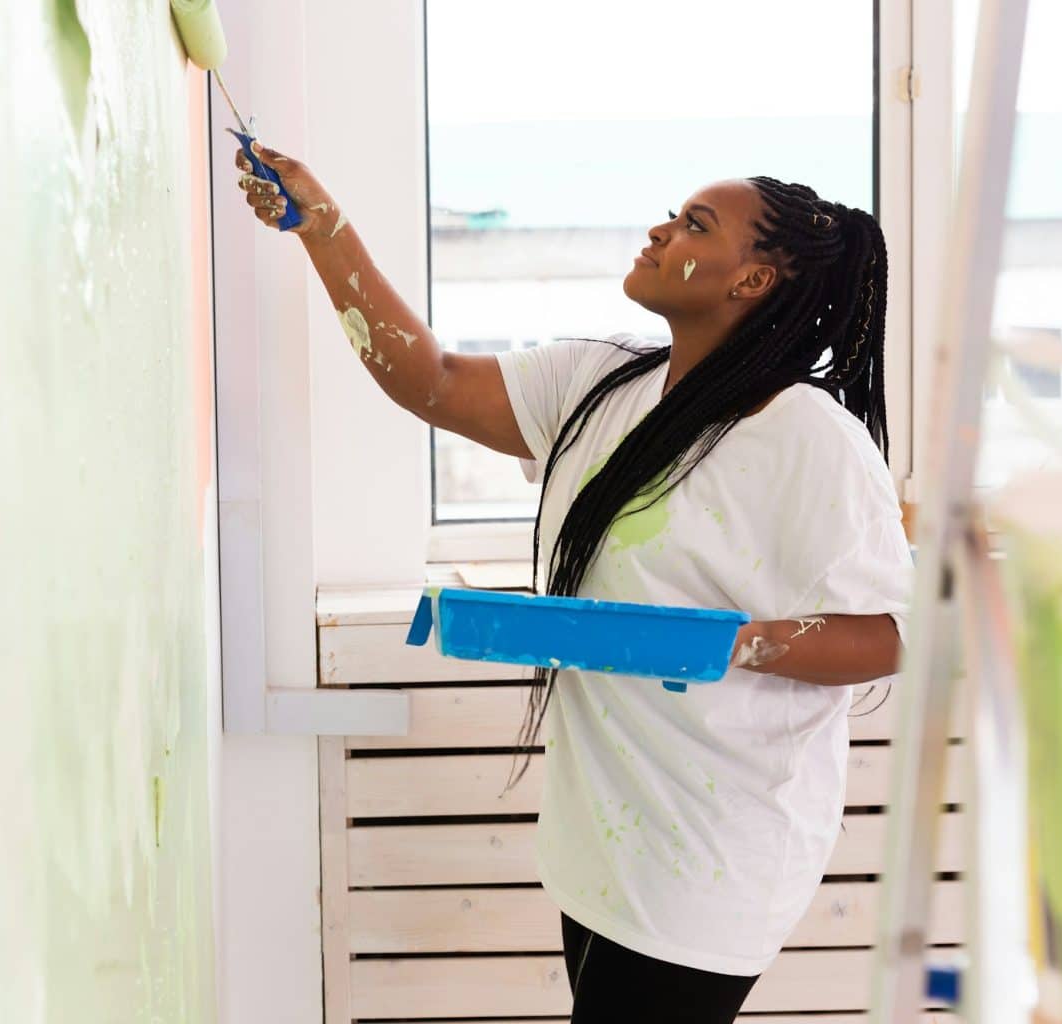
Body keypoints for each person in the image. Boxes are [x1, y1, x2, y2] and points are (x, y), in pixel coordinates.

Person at [234, 141, 913, 1023]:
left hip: (714, 853)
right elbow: (429, 379)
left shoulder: (809, 441)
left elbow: (892, 633)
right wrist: (321, 224)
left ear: (752, 281)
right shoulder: (603, 380)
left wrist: (734, 644)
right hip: (602, 834)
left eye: (693, 226)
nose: (660, 231)